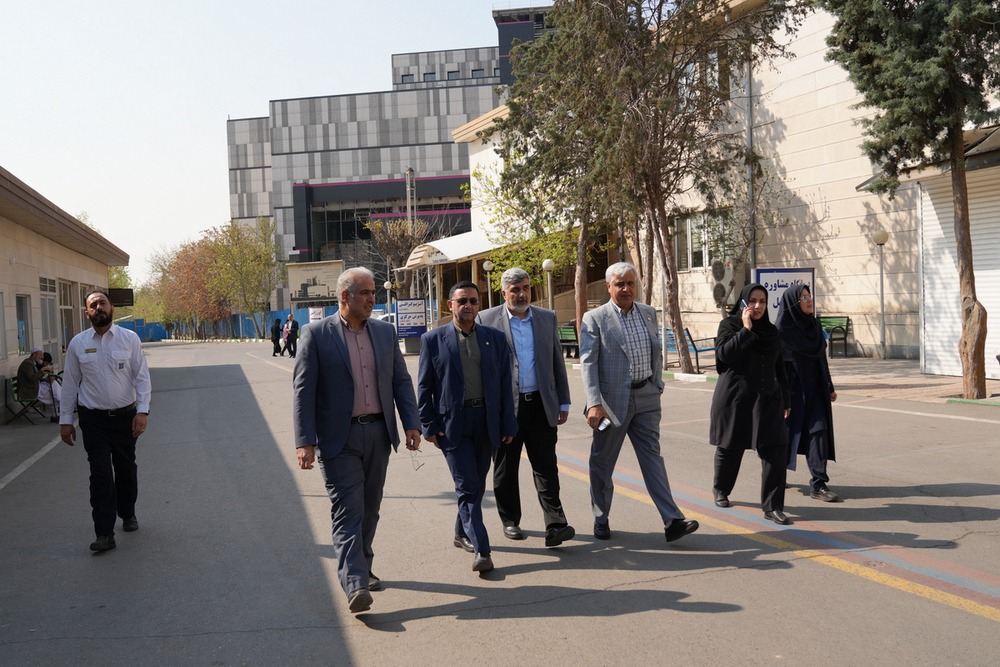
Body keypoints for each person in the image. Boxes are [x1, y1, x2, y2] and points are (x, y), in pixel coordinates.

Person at [293, 267, 421, 614]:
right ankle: (355, 584)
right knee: (348, 509)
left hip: (378, 433)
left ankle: (362, 566)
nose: (372, 299)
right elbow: (304, 391)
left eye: (373, 292)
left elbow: (400, 381)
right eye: (365, 292)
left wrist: (411, 423)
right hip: (339, 438)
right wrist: (304, 441)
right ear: (344, 296)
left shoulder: (384, 332)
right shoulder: (316, 334)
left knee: (369, 507)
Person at [580, 262, 699, 544]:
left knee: (652, 459)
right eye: (620, 284)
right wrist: (594, 403)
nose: (626, 289)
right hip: (610, 405)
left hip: (646, 397)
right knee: (602, 462)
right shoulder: (595, 318)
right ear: (609, 286)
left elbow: (656, 351)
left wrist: (656, 385)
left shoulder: (647, 313)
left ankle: (672, 520)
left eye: (630, 283)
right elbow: (588, 362)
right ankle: (601, 517)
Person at [417, 280, 517, 573]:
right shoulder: (433, 340)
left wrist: (508, 422)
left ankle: (461, 532)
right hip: (452, 425)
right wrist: (428, 425)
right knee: (468, 486)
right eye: (462, 301)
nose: (468, 306)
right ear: (450, 305)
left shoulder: (494, 338)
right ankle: (482, 550)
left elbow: (505, 385)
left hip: (486, 422)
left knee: (476, 485)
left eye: (473, 301)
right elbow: (424, 388)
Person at [477, 267, 575, 547]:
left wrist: (563, 400)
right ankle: (510, 520)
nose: (522, 295)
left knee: (546, 466)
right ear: (504, 292)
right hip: (506, 409)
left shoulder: (546, 317)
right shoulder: (486, 319)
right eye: (515, 290)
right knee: (505, 468)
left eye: (526, 288)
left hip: (541, 405)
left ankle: (555, 523)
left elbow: (556, 361)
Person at [60, 290, 151, 553]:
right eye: (93, 305)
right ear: (87, 313)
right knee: (100, 475)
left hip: (125, 418)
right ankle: (104, 533)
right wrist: (66, 420)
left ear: (111, 308)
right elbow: (70, 384)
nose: (98, 307)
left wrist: (142, 412)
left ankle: (127, 512)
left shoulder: (129, 339)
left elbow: (141, 377)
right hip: (93, 420)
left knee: (125, 470)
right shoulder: (78, 344)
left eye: (102, 303)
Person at [709, 283, 792, 525]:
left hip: (768, 398)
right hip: (737, 397)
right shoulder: (730, 325)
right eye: (753, 301)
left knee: (776, 449)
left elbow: (780, 368)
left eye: (762, 302)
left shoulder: (772, 332)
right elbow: (724, 356)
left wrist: (786, 399)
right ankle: (721, 489)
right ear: (744, 302)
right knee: (730, 447)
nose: (758, 306)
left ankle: (773, 507)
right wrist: (745, 330)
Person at [776, 284, 840, 502]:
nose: (809, 299)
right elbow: (776, 368)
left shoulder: (814, 326)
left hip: (815, 390)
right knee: (786, 436)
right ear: (793, 303)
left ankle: (819, 483)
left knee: (819, 432)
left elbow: (821, 358)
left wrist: (829, 386)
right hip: (792, 395)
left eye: (809, 295)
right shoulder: (781, 331)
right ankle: (777, 474)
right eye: (803, 297)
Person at [36, 352, 63, 423]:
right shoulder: (37, 367)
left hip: (45, 386)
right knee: (54, 386)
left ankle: (59, 399)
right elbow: (37, 377)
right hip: (39, 387)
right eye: (46, 363)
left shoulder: (45, 367)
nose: (46, 364)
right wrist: (46, 379)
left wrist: (51, 376)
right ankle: (60, 399)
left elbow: (48, 376)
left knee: (54, 385)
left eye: (47, 363)